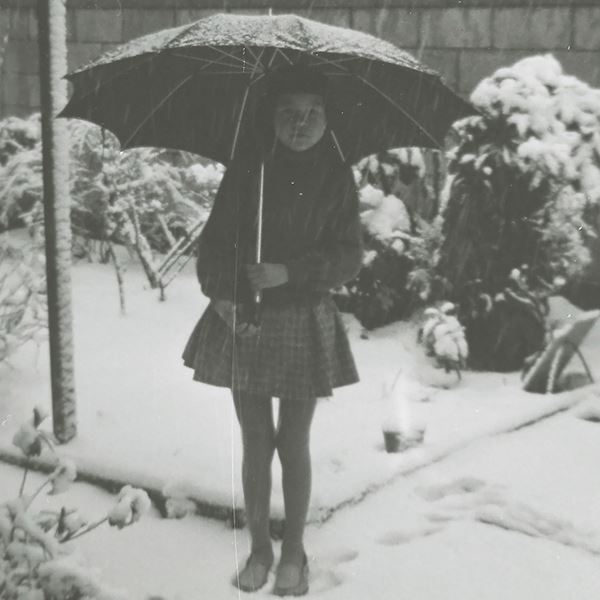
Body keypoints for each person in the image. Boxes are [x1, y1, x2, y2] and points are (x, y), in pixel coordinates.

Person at [182, 65, 363, 596]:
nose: (300, 125)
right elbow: (213, 247)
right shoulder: (249, 170)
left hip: (303, 319)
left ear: (328, 119)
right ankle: (260, 548)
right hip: (246, 318)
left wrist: (291, 272)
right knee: (256, 440)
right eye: (289, 113)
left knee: (293, 441)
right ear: (271, 116)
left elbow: (348, 256)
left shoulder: (337, 176)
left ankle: (294, 552)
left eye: (312, 114)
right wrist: (223, 293)